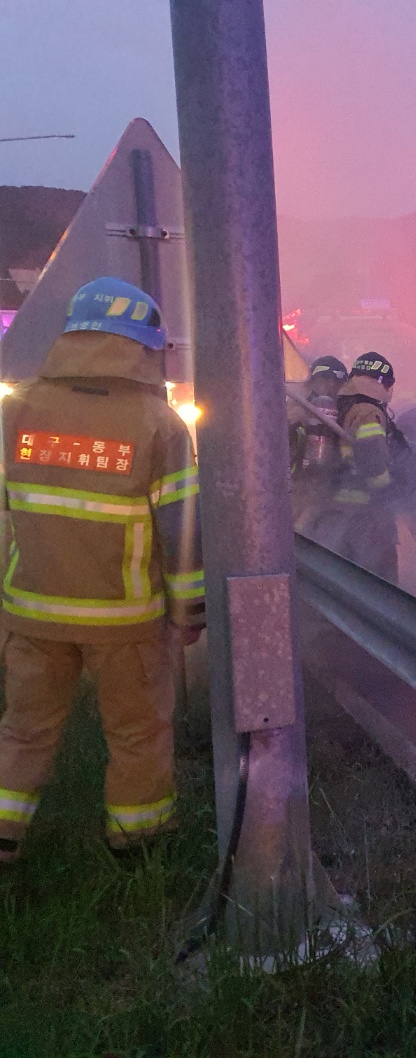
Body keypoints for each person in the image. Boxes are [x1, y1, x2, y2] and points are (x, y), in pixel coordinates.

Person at [0, 277, 205, 863]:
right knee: (137, 735)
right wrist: (189, 612)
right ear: (144, 347)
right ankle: (140, 854)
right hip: (127, 622)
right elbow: (181, 534)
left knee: (23, 730)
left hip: (32, 611)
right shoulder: (160, 425)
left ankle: (4, 839)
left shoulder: (17, 411)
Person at [318, 351, 402, 582]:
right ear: (382, 382)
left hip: (334, 508)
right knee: (380, 580)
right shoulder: (368, 411)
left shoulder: (341, 402)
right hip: (364, 513)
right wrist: (388, 489)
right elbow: (372, 458)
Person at [287, 355, 348, 532]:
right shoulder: (296, 408)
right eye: (323, 381)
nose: (330, 388)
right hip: (303, 482)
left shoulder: (298, 404)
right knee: (299, 528)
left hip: (312, 482)